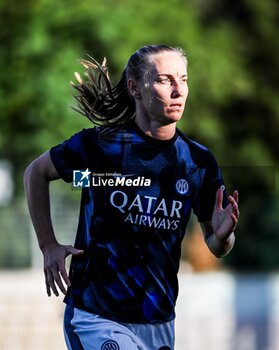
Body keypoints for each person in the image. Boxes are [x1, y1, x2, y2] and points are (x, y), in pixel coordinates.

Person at [24, 45, 239, 350]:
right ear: (135, 88)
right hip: (96, 315)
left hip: (159, 322)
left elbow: (217, 248)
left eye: (184, 79)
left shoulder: (197, 162)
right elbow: (36, 173)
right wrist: (48, 245)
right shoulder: (101, 146)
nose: (178, 91)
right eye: (165, 80)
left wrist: (222, 236)